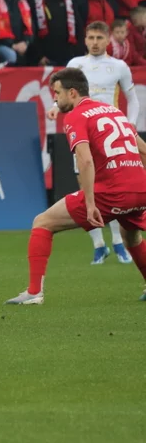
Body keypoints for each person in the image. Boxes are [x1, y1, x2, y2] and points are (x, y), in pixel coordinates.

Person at [7, 68, 146, 305]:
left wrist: (90, 202)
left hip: (111, 193)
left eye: (57, 93)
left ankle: (33, 292)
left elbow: (85, 160)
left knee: (43, 222)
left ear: (72, 93)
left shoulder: (76, 116)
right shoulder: (114, 111)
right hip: (140, 188)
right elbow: (142, 149)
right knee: (130, 233)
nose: (55, 98)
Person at [42, 22, 140, 266]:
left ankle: (118, 241)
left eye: (99, 37)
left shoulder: (119, 66)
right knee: (87, 187)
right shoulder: (76, 64)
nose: (95, 42)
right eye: (91, 37)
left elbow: (133, 100)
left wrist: (129, 126)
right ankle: (99, 245)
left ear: (108, 40)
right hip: (86, 133)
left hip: (109, 140)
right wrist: (55, 108)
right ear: (85, 40)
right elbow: (64, 92)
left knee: (112, 187)